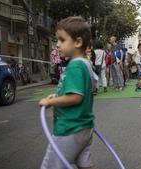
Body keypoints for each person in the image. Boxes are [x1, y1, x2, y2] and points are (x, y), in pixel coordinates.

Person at [39, 16, 95, 169]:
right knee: (84, 164)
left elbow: (76, 97)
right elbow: (80, 91)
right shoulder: (86, 64)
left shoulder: (75, 66)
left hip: (70, 128)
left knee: (51, 165)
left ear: (77, 42)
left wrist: (50, 102)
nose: (57, 45)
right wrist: (57, 97)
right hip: (85, 128)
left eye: (62, 40)